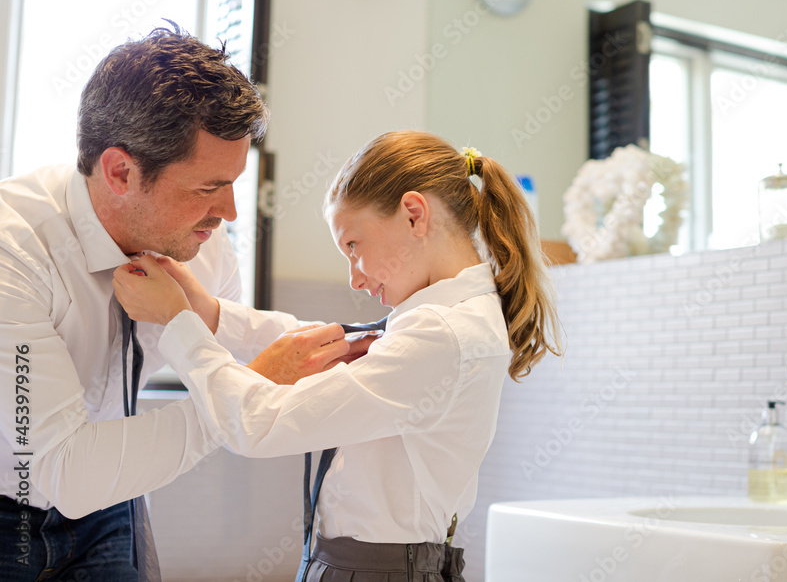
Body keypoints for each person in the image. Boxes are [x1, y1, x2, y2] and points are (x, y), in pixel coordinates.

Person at [112, 130, 564, 582]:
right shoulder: (443, 319)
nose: (355, 279)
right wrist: (210, 313)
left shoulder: (443, 335)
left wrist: (177, 323)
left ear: (413, 215)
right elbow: (325, 344)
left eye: (353, 246)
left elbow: (258, 424)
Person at [0, 26, 353, 581]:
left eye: (234, 183)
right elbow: (63, 469)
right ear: (120, 171)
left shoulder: (202, 250)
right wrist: (246, 394)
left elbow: (231, 349)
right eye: (208, 188)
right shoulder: (13, 249)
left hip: (112, 501)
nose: (231, 213)